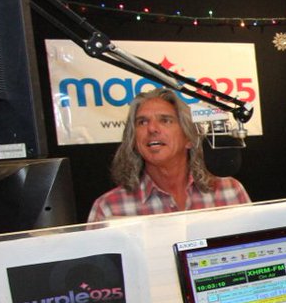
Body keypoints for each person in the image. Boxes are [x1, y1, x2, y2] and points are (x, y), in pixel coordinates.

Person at [87, 89, 250, 222]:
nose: (152, 129)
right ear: (134, 141)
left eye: (165, 120)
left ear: (189, 138)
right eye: (142, 122)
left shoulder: (230, 191)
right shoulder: (109, 208)